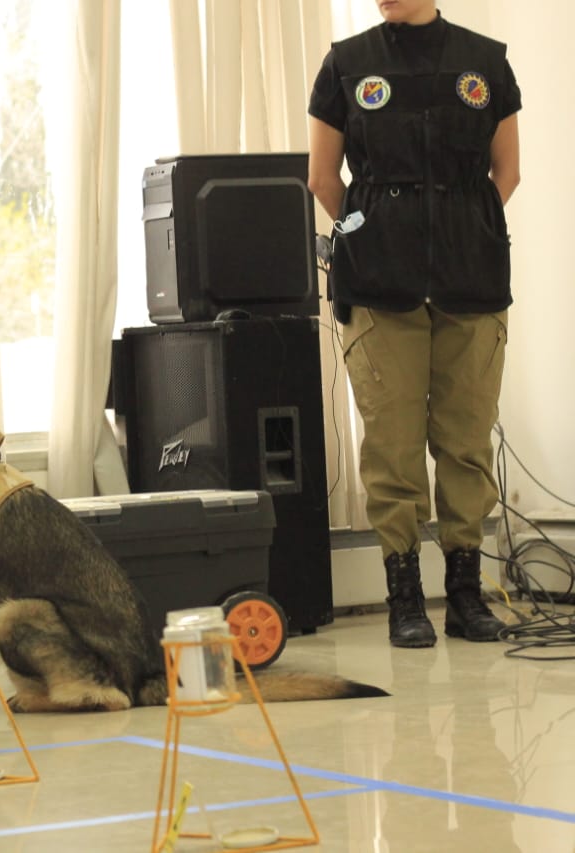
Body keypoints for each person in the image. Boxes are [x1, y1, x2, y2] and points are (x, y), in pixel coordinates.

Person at [307, 0, 520, 648]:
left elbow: (506, 173)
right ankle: (406, 597)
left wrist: (460, 230)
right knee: (393, 447)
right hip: (379, 286)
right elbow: (323, 178)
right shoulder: (347, 64)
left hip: (472, 285)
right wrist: (370, 234)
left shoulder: (486, 62)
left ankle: (465, 595)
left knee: (465, 442)